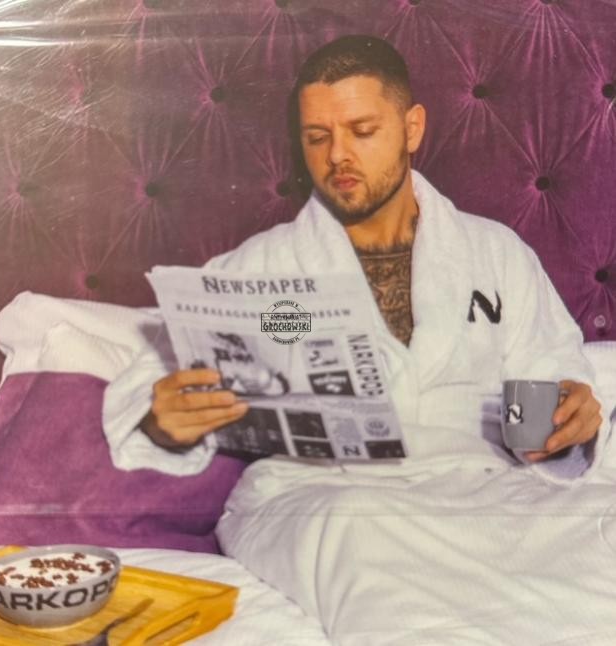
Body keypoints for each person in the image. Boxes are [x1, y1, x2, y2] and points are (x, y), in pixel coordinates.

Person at [109, 34, 602, 472]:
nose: (337, 155)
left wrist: (572, 417)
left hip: (478, 486)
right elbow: (156, 376)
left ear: (412, 128)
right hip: (322, 493)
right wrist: (161, 422)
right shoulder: (261, 266)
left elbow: (554, 375)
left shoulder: (497, 254)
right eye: (317, 137)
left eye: (362, 131)